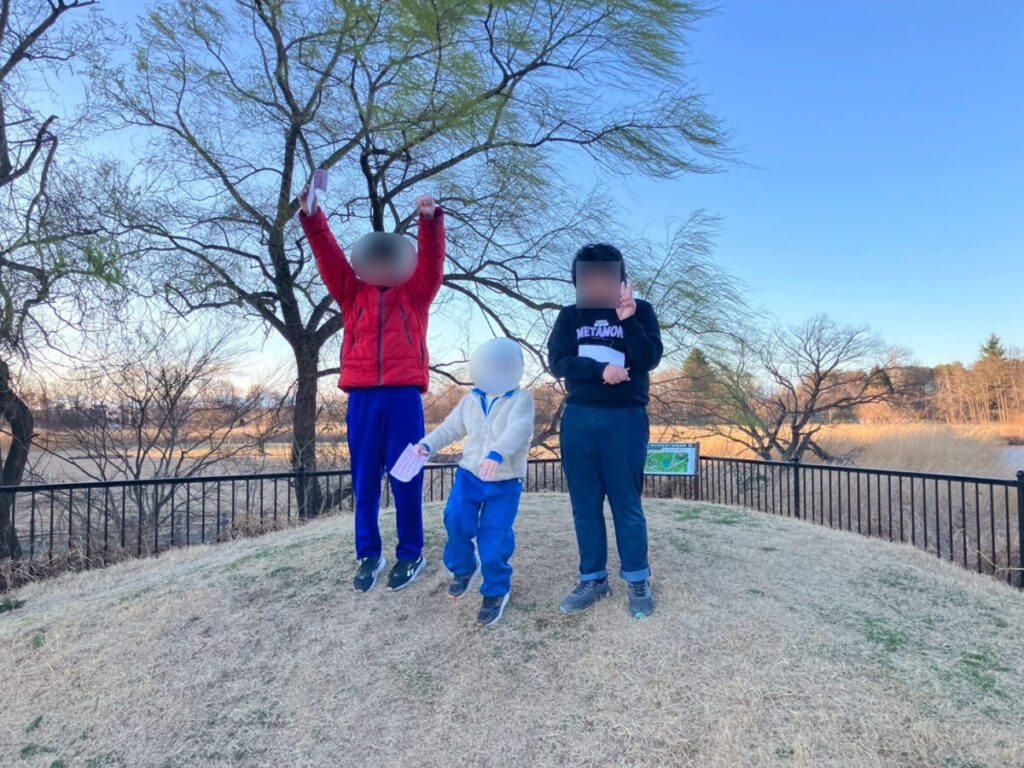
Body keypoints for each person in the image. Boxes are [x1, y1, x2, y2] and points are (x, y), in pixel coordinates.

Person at [298, 183, 445, 593]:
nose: (381, 266)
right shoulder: (351, 294)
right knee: (365, 481)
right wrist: (312, 215)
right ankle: (369, 555)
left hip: (403, 399)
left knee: (406, 477)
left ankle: (411, 553)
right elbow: (328, 256)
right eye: (374, 260)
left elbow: (432, 262)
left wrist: (429, 222)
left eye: (388, 259)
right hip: (361, 398)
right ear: (365, 264)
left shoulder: (416, 294)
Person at [547, 243, 663, 618]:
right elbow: (558, 362)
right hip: (579, 417)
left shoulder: (640, 310)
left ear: (620, 278)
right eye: (588, 277)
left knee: (626, 503)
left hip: (625, 418)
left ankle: (638, 580)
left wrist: (628, 320)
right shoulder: (570, 316)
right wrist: (600, 371)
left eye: (605, 275)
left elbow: (649, 359)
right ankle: (593, 579)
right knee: (585, 505)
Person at [416, 338, 534, 627]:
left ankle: (496, 590)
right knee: (455, 519)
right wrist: (427, 445)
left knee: (493, 538)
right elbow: (451, 428)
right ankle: (465, 567)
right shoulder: (471, 399)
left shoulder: (521, 399)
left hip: (504, 482)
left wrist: (497, 453)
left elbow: (519, 429)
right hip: (469, 476)